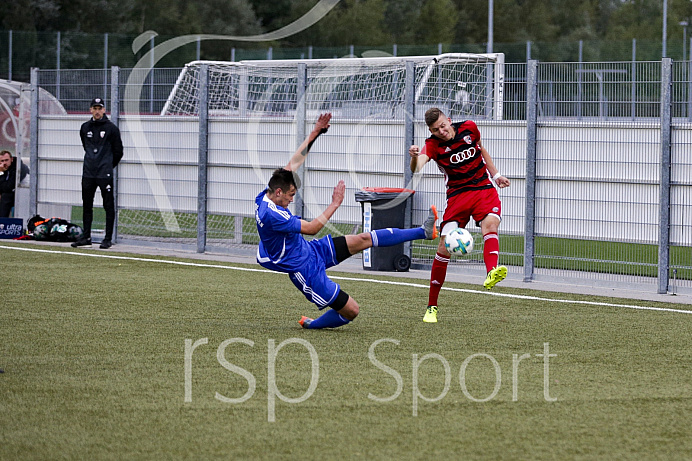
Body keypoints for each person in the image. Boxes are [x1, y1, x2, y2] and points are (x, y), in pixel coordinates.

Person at [256, 113, 439, 329]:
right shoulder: (274, 215)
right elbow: (313, 228)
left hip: (311, 250)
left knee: (363, 239)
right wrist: (335, 203)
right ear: (278, 192)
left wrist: (316, 131)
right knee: (352, 310)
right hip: (303, 268)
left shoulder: (267, 195)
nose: (291, 199)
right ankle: (313, 325)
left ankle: (424, 232)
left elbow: (294, 161)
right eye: (290, 195)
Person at [409, 107, 511, 323]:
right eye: (436, 130)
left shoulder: (469, 128)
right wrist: (414, 158)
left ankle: (491, 271)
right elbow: (417, 168)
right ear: (431, 130)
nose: (441, 132)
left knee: (490, 225)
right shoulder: (433, 145)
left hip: (483, 188)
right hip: (457, 196)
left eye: (443, 126)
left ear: (449, 120)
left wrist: (496, 174)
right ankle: (432, 307)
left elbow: (480, 149)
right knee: (444, 247)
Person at [71, 98, 123, 249]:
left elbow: (118, 151)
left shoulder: (111, 128)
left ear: (104, 110)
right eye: (95, 108)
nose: (97, 111)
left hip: (104, 173)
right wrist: (93, 162)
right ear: (90, 110)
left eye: (100, 108)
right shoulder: (85, 127)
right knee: (87, 205)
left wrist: (107, 166)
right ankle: (86, 237)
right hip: (88, 172)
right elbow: (85, 146)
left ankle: (107, 238)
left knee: (108, 205)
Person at [0, 150, 30, 218]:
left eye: (6, 160)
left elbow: (9, 186)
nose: (4, 163)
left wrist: (1, 172)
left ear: (11, 159)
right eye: (2, 161)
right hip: (16, 192)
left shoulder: (19, 168)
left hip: (26, 193)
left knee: (6, 197)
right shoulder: (5, 169)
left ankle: (2, 221)